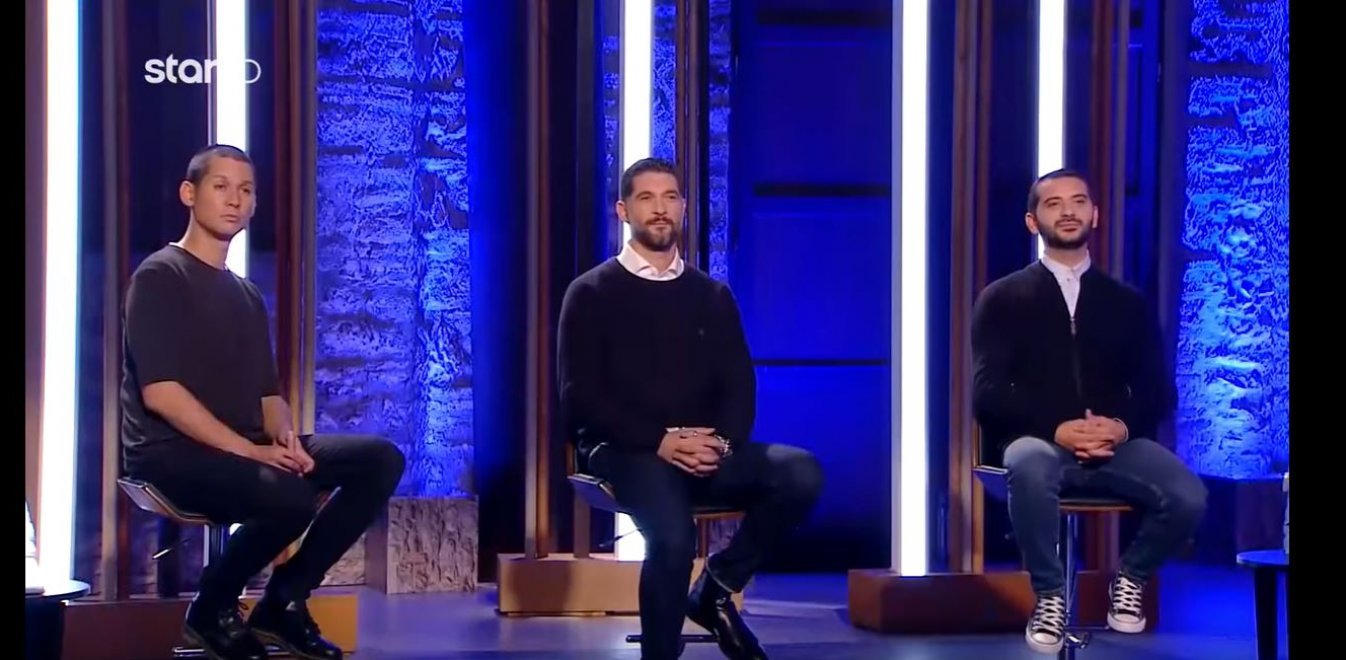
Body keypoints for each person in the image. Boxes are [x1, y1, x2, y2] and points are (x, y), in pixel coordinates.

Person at [121, 145, 405, 660]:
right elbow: (161, 394)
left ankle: (284, 599)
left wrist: (286, 439)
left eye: (246, 190)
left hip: (245, 448)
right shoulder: (160, 276)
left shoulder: (246, 294)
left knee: (379, 460)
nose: (235, 200)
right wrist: (252, 453)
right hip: (169, 453)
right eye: (221, 187)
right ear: (189, 194)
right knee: (289, 497)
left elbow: (268, 395)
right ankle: (210, 609)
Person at [557, 158, 824, 660]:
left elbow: (740, 388)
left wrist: (719, 443)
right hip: (626, 450)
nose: (660, 208)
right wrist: (660, 441)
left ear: (683, 206)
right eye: (646, 198)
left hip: (703, 448)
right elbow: (579, 398)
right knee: (674, 537)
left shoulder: (712, 296)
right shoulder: (590, 293)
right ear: (623, 211)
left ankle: (716, 588)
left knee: (800, 472)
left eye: (670, 197)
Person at [971, 169, 1207, 655]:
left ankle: (1131, 576)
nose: (1068, 211)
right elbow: (987, 393)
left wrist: (1119, 427)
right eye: (1054, 203)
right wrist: (1057, 428)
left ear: (1095, 215)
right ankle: (1050, 597)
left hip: (1115, 444)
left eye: (1078, 201)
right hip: (1037, 440)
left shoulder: (1127, 303)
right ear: (1032, 221)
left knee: (1189, 495)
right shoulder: (1002, 298)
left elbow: (1158, 391)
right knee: (1029, 462)